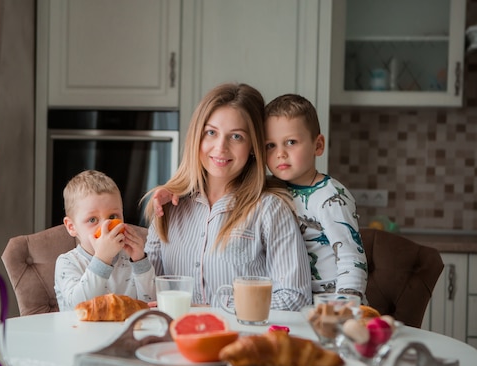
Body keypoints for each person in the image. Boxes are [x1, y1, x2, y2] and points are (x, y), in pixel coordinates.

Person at [143, 82, 312, 311]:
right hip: (177, 341)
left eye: (236, 137)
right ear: (197, 137)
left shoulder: (270, 210)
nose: (220, 147)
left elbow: (296, 299)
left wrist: (214, 307)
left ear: (253, 145)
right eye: (211, 133)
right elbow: (148, 294)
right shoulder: (168, 206)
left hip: (243, 342)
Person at [264, 93, 367, 299]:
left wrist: (342, 311)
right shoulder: (270, 188)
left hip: (331, 307)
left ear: (318, 145)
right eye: (270, 145)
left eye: (291, 142)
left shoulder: (330, 197)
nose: (280, 153)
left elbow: (351, 259)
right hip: (289, 303)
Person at [54, 170, 155, 311]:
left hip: (126, 331)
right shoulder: (67, 262)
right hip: (79, 332)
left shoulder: (130, 259)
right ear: (72, 227)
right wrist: (102, 259)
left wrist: (140, 261)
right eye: (93, 220)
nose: (105, 226)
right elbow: (78, 308)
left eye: (113, 216)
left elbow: (151, 304)